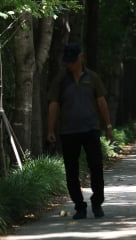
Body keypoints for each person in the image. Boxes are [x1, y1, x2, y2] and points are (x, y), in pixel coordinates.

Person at [47, 43, 114, 220]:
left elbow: (101, 102)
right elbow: (54, 104)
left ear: (80, 58)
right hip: (68, 132)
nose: (69, 64)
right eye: (67, 61)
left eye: (72, 60)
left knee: (96, 167)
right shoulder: (60, 80)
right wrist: (50, 129)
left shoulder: (93, 78)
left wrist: (108, 127)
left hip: (91, 129)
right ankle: (79, 206)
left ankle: (97, 203)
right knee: (71, 171)